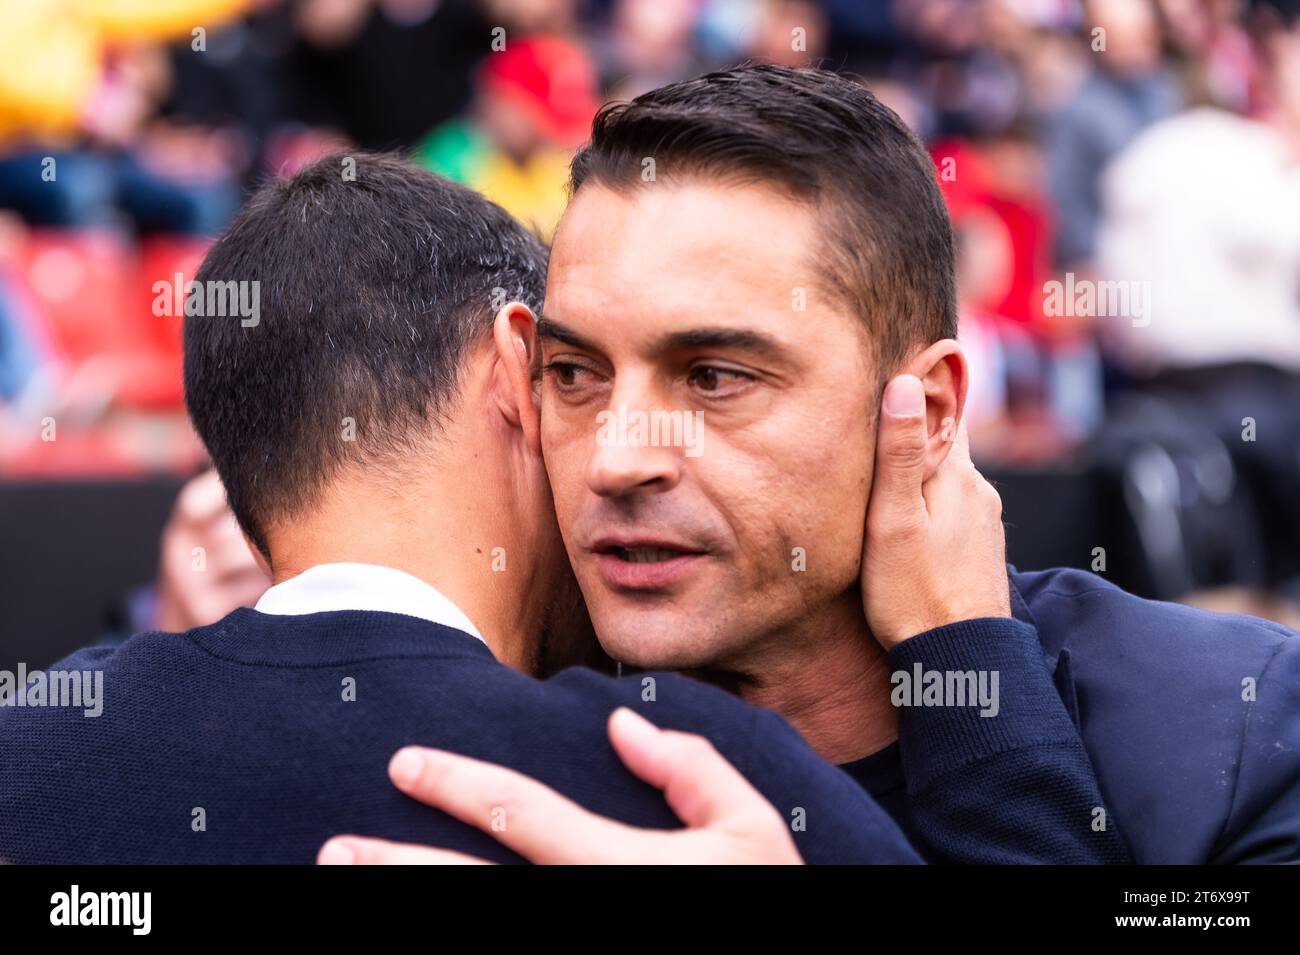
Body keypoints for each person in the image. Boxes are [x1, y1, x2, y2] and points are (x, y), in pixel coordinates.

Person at [345, 64, 1297, 864]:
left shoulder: (1229, 731)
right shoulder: (444, 742)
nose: (619, 455)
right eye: (573, 372)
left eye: (714, 375)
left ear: (924, 411)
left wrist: (973, 683)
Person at [0, 153, 916, 865]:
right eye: (572, 376)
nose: (616, 454)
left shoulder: (32, 750)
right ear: (515, 372)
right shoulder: (696, 779)